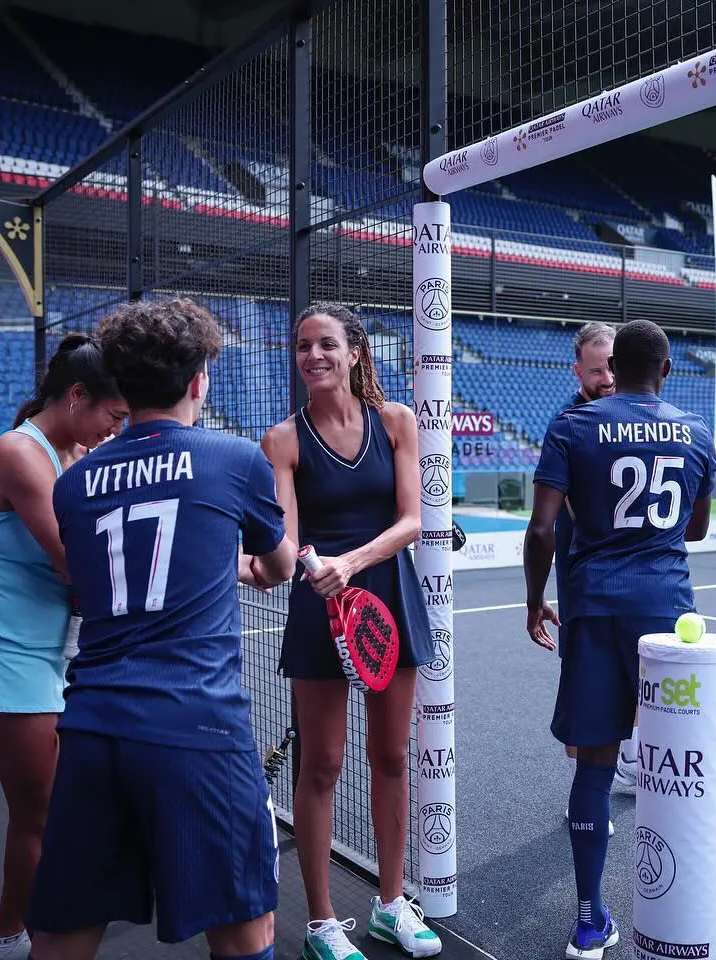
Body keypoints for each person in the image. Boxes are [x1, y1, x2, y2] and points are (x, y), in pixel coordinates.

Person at [26, 298, 298, 960]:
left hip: (91, 727)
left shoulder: (75, 480)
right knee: (245, 932)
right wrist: (264, 560)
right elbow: (280, 561)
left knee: (63, 936)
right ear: (201, 377)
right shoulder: (233, 458)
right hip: (196, 726)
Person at [524, 318, 716, 960]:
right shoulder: (695, 432)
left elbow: (542, 529)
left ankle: (589, 919)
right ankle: (695, 900)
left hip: (594, 606)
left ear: (615, 367)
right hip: (666, 611)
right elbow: (693, 531)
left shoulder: (572, 426)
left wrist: (534, 600)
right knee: (680, 761)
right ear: (664, 370)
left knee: (595, 762)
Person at [261, 302, 440, 960]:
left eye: (327, 345)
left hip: (388, 600)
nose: (313, 355)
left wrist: (354, 562)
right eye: (304, 345)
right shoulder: (282, 440)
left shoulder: (395, 423)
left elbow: (413, 520)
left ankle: (392, 906)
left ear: (356, 352)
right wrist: (290, 568)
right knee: (322, 764)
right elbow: (284, 538)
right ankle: (321, 923)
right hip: (319, 612)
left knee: (392, 758)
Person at [0, 334, 126, 960]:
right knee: (39, 812)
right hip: (11, 654)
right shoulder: (20, 453)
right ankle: (7, 941)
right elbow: (78, 563)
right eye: (113, 414)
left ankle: (30, 928)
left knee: (64, 808)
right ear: (77, 396)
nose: (115, 428)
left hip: (62, 652)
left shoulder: (76, 452)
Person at [553, 322, 635, 830]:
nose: (607, 377)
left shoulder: (636, 417)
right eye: (597, 368)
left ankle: (620, 771)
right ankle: (585, 794)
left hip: (630, 581)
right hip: (585, 580)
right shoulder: (567, 422)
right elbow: (565, 508)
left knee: (644, 687)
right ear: (578, 370)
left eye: (613, 366)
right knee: (586, 697)